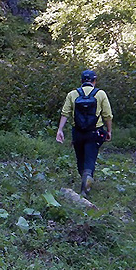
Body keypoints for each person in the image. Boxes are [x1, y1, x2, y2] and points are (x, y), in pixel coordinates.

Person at [55, 69, 113, 198]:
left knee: (80, 158)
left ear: (81, 81)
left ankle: (84, 179)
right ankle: (86, 181)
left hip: (78, 132)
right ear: (94, 81)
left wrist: (60, 130)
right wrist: (109, 131)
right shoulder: (100, 94)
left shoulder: (72, 94)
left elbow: (65, 113)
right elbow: (107, 115)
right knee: (90, 158)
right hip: (95, 132)